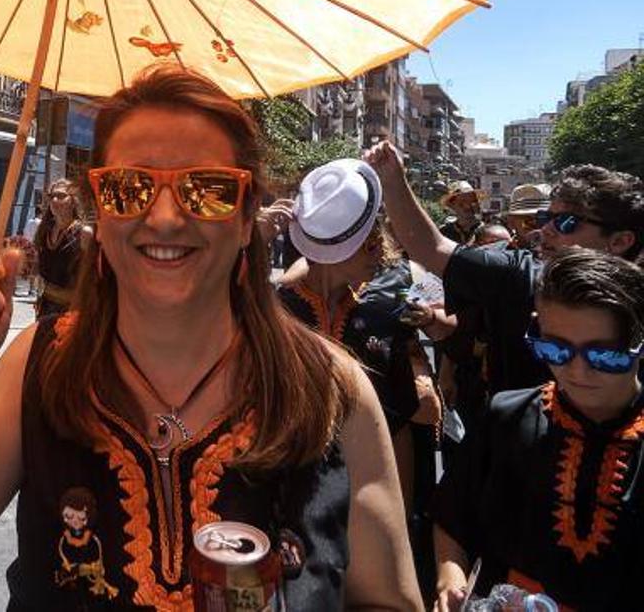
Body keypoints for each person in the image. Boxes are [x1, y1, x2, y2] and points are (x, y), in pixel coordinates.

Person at [0, 66, 422, 610]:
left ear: (248, 215)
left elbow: (389, 600)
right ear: (100, 218)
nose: (164, 218)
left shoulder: (332, 389)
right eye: (129, 188)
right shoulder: (37, 364)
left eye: (206, 190)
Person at [432, 249, 644, 611]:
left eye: (604, 356)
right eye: (556, 349)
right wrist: (449, 579)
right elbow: (453, 516)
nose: (577, 372)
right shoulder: (506, 416)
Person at [272, 159, 449, 591]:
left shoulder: (400, 285)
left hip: (382, 466)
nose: (381, 249)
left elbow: (447, 322)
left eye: (378, 240)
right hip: (301, 477)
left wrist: (398, 518)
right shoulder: (279, 309)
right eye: (370, 244)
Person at [364, 143, 644, 402]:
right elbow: (430, 248)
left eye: (567, 223)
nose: (544, 230)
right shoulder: (519, 275)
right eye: (546, 218)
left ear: (620, 241)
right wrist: (392, 180)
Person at [32, 178, 91, 318]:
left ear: (73, 201)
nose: (55, 200)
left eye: (62, 196)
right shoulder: (44, 230)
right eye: (52, 196)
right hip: (45, 307)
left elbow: (92, 276)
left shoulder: (83, 233)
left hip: (71, 310)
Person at [505, 183, 551, 251]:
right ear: (511, 223)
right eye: (529, 222)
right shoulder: (499, 257)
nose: (539, 228)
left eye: (544, 220)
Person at [438, 181, 483, 245]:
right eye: (462, 203)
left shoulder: (486, 231)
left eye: (472, 202)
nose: (467, 206)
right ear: (452, 205)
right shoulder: (444, 232)